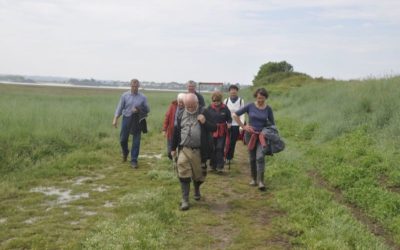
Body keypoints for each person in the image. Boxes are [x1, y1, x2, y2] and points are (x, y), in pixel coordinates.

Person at [171, 93, 216, 211]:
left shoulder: (204, 112)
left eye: (192, 105)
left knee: (199, 175)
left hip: (200, 150)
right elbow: (176, 132)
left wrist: (205, 122)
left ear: (197, 103)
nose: (190, 108)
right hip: (184, 148)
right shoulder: (180, 113)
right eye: (187, 106)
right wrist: (172, 148)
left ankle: (197, 188)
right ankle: (185, 200)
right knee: (183, 170)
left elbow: (214, 128)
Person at [233, 88, 274, 191]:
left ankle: (261, 181)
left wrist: (267, 131)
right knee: (252, 158)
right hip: (250, 135)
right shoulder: (250, 106)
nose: (260, 100)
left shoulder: (268, 109)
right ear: (256, 97)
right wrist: (243, 126)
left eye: (263, 98)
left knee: (260, 157)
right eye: (259, 98)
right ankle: (253, 179)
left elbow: (273, 124)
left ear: (265, 98)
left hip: (262, 136)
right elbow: (235, 115)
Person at [113, 79, 150, 169]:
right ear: (130, 86)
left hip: (137, 120)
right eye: (133, 86)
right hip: (126, 119)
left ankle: (134, 160)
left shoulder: (143, 97)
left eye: (136, 86)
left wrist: (138, 109)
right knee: (123, 140)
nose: (134, 88)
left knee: (136, 141)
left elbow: (148, 109)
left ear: (138, 86)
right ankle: (125, 152)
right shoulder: (125, 95)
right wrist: (115, 119)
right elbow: (120, 108)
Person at [207, 91, 231, 173]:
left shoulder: (225, 108)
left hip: (222, 130)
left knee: (219, 148)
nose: (216, 103)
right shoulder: (209, 108)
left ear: (220, 100)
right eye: (214, 101)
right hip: (212, 130)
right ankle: (212, 165)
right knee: (212, 148)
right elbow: (205, 117)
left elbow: (229, 118)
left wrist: (229, 123)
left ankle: (220, 166)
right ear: (212, 100)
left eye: (217, 101)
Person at [223, 85, 245, 165]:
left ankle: (229, 157)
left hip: (236, 124)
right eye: (231, 90)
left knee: (233, 142)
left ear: (237, 91)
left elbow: (242, 114)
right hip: (227, 124)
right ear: (229, 92)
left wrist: (241, 125)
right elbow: (223, 113)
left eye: (234, 90)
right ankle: (224, 156)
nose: (233, 92)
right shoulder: (226, 100)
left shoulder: (240, 101)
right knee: (225, 141)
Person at [162, 93, 185, 160]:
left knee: (181, 150)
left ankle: (179, 163)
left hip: (181, 132)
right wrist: (164, 129)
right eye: (179, 102)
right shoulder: (173, 106)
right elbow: (167, 117)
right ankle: (173, 159)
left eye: (182, 102)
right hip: (171, 131)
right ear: (177, 101)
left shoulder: (187, 108)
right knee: (170, 151)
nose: (180, 104)